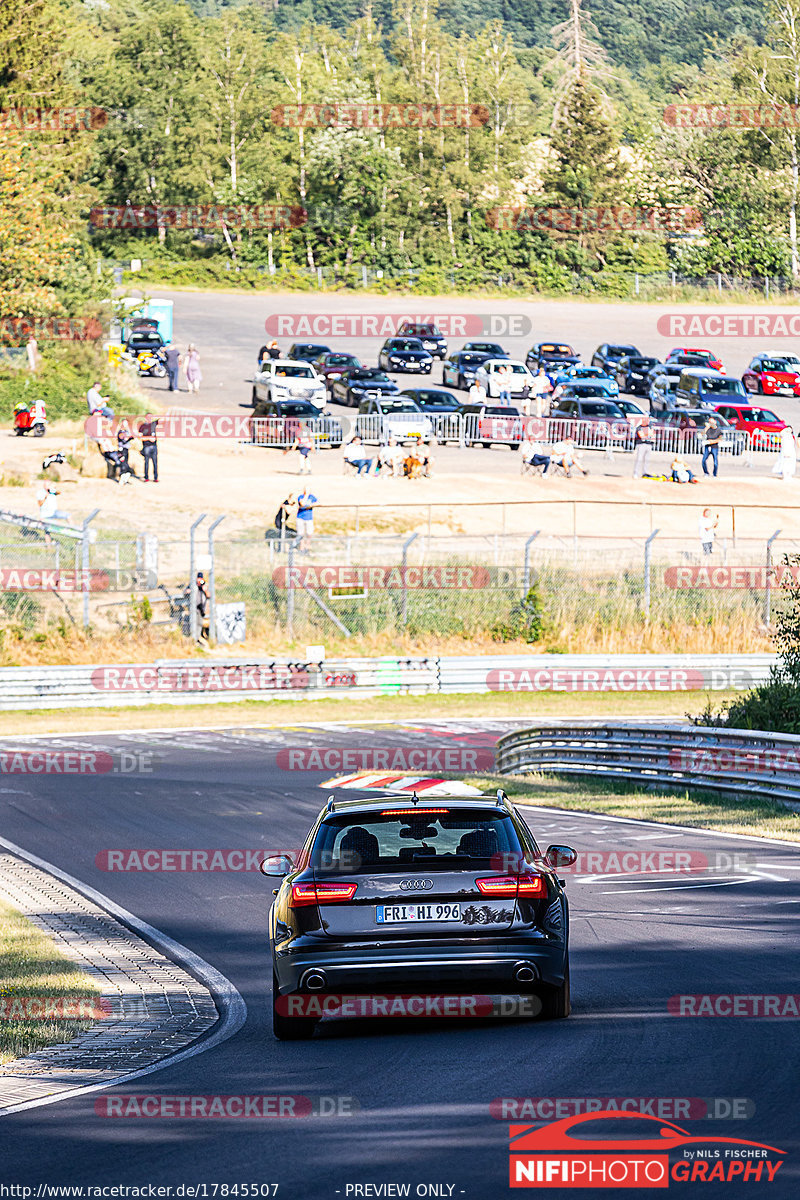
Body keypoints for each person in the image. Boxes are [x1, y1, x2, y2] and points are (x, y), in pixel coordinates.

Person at [138, 413, 159, 482]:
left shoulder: (154, 424)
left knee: (155, 463)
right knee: (146, 462)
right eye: (148, 417)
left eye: (151, 417)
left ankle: (156, 478)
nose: (150, 418)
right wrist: (149, 438)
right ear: (145, 418)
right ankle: (146, 477)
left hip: (154, 446)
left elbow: (163, 420)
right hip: (146, 446)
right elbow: (140, 438)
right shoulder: (142, 426)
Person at [195, 571, 210, 640]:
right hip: (195, 608)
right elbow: (186, 592)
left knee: (201, 623)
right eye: (198, 578)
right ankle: (196, 638)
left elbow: (209, 595)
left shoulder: (204, 586)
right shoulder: (193, 585)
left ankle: (203, 636)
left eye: (201, 579)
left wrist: (204, 589)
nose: (199, 580)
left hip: (202, 608)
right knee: (195, 623)